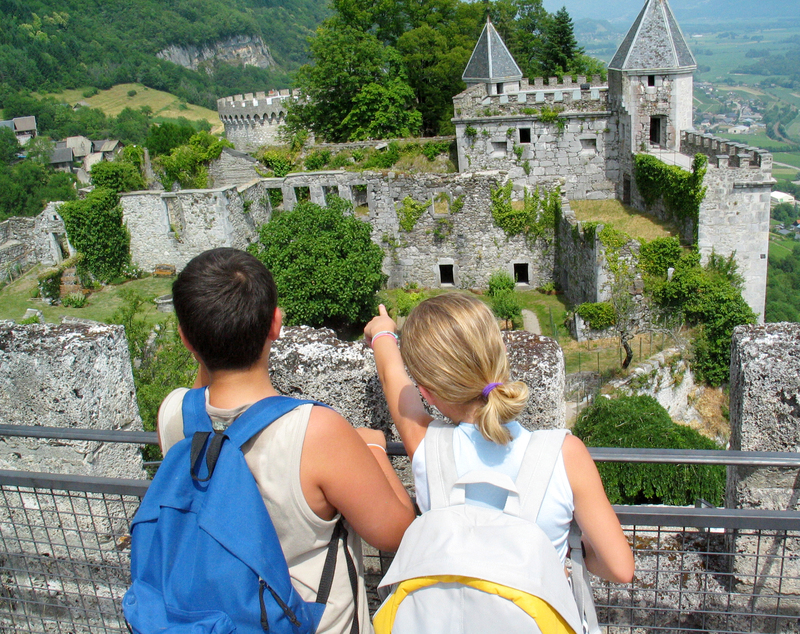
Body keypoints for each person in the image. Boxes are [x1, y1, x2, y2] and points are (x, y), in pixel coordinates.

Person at [158, 247, 416, 634]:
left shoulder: (175, 414)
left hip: (218, 618)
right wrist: (375, 448)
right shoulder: (315, 431)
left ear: (185, 338)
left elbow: (205, 396)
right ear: (275, 324)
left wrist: (207, 338)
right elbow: (396, 531)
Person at [364, 293, 634, 586]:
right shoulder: (567, 455)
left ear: (427, 393)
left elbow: (392, 376)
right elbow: (620, 568)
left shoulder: (427, 448)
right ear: (501, 358)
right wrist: (573, 556)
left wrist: (382, 332)